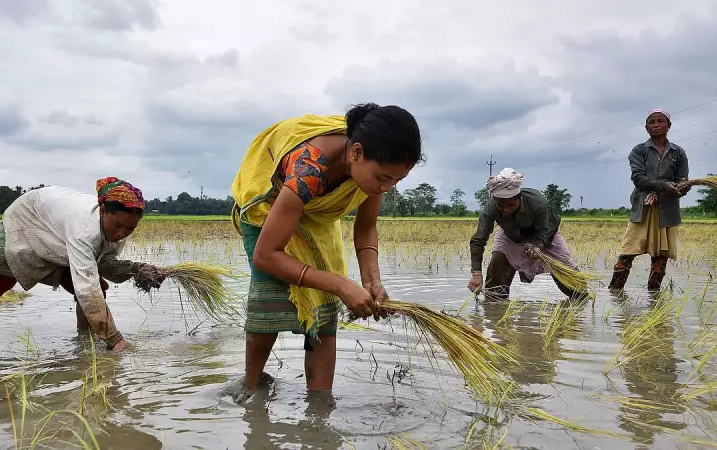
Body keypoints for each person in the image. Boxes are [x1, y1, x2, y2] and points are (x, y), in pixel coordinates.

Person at [230, 103, 423, 398]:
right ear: (356, 152)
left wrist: (372, 280)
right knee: (268, 301)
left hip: (316, 216)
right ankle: (251, 387)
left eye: (396, 181)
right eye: (384, 178)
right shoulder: (310, 167)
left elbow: (365, 226)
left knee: (323, 314)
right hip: (269, 211)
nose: (388, 188)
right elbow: (266, 255)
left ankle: (319, 407)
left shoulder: (369, 176)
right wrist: (341, 284)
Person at [0, 177, 167, 352]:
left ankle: (85, 346)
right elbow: (87, 290)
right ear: (103, 210)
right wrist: (115, 340)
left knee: (97, 287)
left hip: (59, 233)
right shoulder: (83, 230)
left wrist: (138, 270)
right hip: (27, 220)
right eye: (117, 226)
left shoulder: (116, 228)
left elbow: (104, 264)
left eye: (130, 229)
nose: (121, 233)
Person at [468, 168, 585, 301]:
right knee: (497, 261)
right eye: (501, 206)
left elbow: (544, 230)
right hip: (511, 234)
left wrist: (537, 245)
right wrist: (476, 273)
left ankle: (580, 297)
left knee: (576, 287)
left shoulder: (537, 201)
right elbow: (479, 239)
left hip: (545, 232)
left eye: (510, 205)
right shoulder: (491, 207)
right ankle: (494, 306)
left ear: (519, 197)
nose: (505, 210)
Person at [608, 108, 689, 291]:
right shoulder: (639, 150)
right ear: (646, 128)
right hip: (643, 207)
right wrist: (663, 186)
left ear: (669, 126)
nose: (656, 125)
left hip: (667, 210)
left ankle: (654, 297)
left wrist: (682, 188)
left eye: (661, 121)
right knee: (627, 253)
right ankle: (615, 292)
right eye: (652, 122)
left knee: (661, 258)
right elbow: (638, 178)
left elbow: (682, 180)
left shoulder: (678, 153)